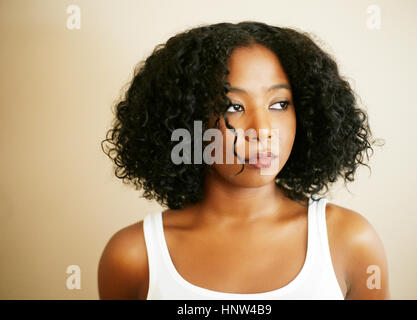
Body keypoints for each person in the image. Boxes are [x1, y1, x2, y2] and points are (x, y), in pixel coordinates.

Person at [98, 21, 389, 299]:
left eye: (279, 104)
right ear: (188, 121)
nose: (262, 130)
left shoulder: (350, 240)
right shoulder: (133, 256)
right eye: (233, 106)